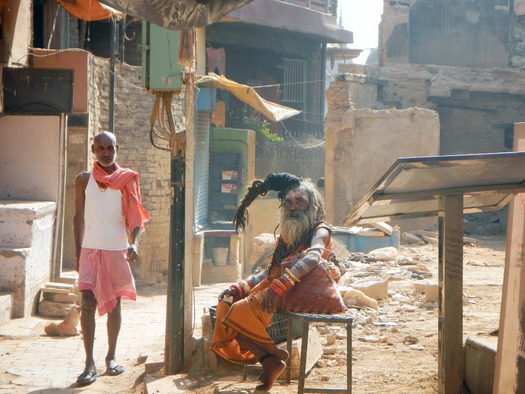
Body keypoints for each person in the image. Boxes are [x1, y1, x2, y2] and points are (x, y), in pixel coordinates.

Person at [211, 173, 337, 391]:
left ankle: (276, 355)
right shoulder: (287, 236)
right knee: (226, 304)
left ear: (311, 205)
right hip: (277, 288)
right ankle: (270, 360)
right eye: (288, 202)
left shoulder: (320, 230)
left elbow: (313, 256)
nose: (293, 207)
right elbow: (270, 271)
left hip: (299, 291)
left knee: (239, 312)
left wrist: (280, 287)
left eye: (300, 201)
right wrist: (241, 287)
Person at [73, 131, 150, 385]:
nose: (105, 152)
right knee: (87, 303)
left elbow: (136, 218)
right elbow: (78, 218)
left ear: (117, 147)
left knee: (115, 305)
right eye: (100, 148)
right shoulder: (83, 180)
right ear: (93, 150)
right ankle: (89, 363)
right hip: (90, 250)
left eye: (110, 147)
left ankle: (111, 358)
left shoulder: (127, 180)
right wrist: (77, 252)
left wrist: (134, 243)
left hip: (117, 249)